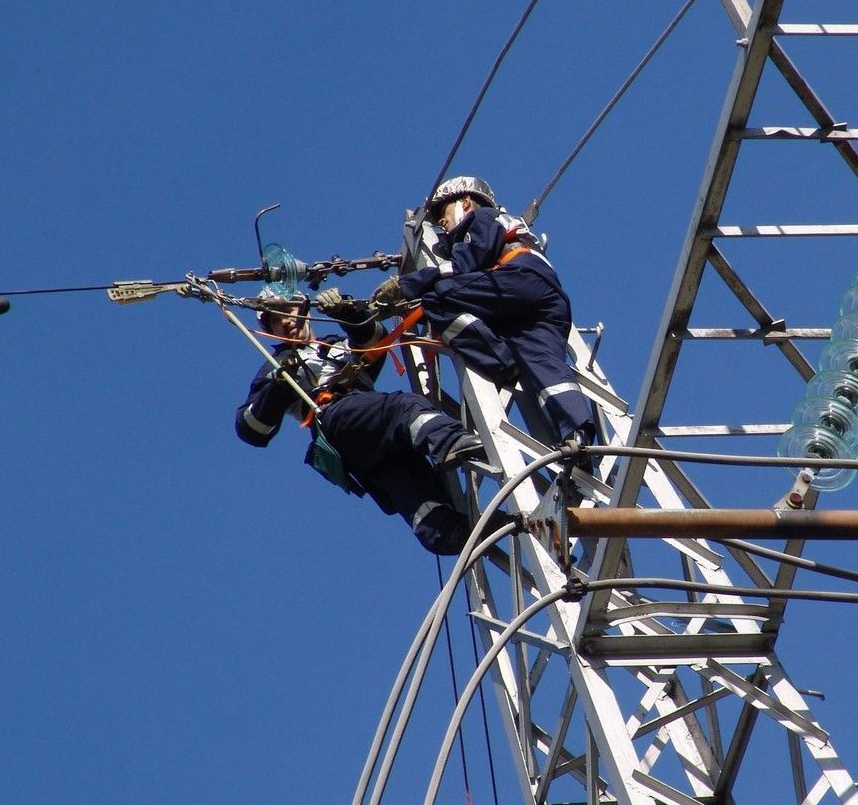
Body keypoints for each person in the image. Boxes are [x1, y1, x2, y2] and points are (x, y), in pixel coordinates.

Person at [235, 288, 488, 555]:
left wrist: (345, 311)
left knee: (410, 485)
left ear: (304, 310)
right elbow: (251, 428)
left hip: (372, 438)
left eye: (288, 312)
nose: (285, 321)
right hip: (336, 419)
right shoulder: (277, 365)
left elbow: (373, 339)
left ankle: (460, 533)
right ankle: (450, 441)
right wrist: (278, 387)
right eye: (276, 320)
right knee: (404, 408)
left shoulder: (335, 346)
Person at [371, 175, 594, 452]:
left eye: (444, 212)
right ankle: (578, 434)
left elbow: (464, 266)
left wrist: (406, 285)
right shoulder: (505, 226)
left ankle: (500, 360)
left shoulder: (482, 218)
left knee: (438, 298)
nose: (442, 222)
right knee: (545, 364)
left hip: (519, 277)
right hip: (543, 301)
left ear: (465, 202)